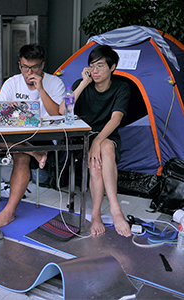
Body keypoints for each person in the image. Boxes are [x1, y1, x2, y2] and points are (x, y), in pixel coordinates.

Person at [0, 44, 65, 228]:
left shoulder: (54, 83)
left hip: (42, 135)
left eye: (34, 67)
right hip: (15, 134)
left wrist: (41, 89)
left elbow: (57, 116)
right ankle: (34, 152)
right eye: (25, 67)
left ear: (42, 66)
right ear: (19, 65)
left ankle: (9, 213)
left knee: (20, 157)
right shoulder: (12, 83)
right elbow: (0, 112)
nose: (29, 72)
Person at [59, 45, 131, 237]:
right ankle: (103, 212)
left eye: (100, 66)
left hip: (106, 135)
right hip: (83, 136)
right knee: (98, 160)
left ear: (112, 67)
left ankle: (107, 210)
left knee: (105, 148)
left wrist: (97, 141)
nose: (95, 71)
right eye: (92, 66)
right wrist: (83, 83)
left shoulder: (121, 88)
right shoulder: (81, 84)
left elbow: (116, 119)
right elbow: (61, 111)